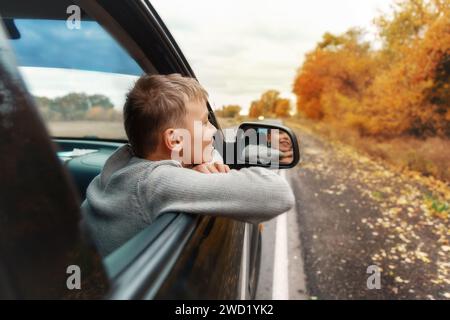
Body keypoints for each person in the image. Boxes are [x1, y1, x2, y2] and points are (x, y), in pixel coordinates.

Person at [81, 73, 295, 256]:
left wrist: (189, 167)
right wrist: (213, 177)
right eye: (204, 122)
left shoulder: (120, 165)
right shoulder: (156, 182)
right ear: (175, 140)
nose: (213, 130)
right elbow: (278, 193)